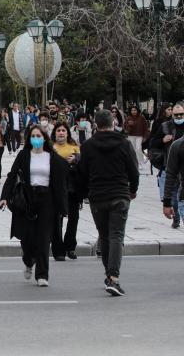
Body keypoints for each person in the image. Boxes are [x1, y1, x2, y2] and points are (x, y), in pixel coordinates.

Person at [78, 109, 139, 296]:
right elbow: (133, 170)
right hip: (119, 195)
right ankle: (113, 277)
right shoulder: (123, 143)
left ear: (95, 124)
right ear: (113, 122)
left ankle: (108, 275)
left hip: (97, 197)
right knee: (116, 236)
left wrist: (84, 194)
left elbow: (82, 173)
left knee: (104, 236)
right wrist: (133, 189)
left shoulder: (88, 146)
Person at [0, 125, 68, 287]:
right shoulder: (24, 155)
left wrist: (63, 208)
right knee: (27, 237)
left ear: (45, 138)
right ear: (29, 139)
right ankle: (29, 260)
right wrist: (4, 197)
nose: (36, 139)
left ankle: (42, 275)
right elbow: (12, 175)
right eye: (33, 136)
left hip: (47, 200)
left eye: (39, 136)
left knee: (44, 238)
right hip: (27, 199)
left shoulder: (52, 157)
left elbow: (60, 183)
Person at [149, 103, 184, 228]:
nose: (179, 117)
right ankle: (176, 217)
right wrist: (162, 140)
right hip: (169, 165)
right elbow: (152, 144)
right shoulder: (165, 126)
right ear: (172, 115)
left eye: (181, 114)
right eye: (176, 115)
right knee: (173, 196)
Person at [50, 122, 82, 261]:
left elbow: (82, 167)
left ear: (67, 133)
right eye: (58, 130)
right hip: (56, 188)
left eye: (63, 130)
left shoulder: (74, 148)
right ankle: (58, 250)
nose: (61, 133)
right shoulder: (50, 148)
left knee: (73, 218)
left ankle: (70, 246)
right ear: (55, 133)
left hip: (72, 188)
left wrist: (75, 161)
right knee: (57, 220)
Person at [123, 105, 149, 171]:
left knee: (138, 148)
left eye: (135, 110)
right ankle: (134, 162)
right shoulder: (128, 118)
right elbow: (125, 128)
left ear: (137, 110)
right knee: (133, 150)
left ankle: (140, 162)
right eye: (132, 110)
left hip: (139, 135)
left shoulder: (141, 117)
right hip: (131, 135)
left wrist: (145, 136)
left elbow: (145, 127)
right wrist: (129, 125)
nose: (133, 111)